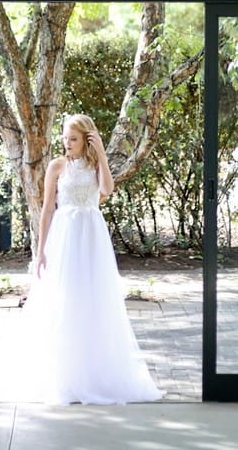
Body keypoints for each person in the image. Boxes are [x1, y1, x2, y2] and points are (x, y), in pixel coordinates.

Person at [18, 113, 164, 405]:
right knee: (64, 299)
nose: (67, 143)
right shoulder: (57, 166)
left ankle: (93, 374)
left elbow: (107, 190)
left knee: (94, 300)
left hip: (91, 235)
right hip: (65, 235)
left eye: (73, 139)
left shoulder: (96, 164)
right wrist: (42, 249)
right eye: (65, 138)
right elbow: (47, 209)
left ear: (86, 138)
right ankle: (64, 377)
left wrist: (100, 153)